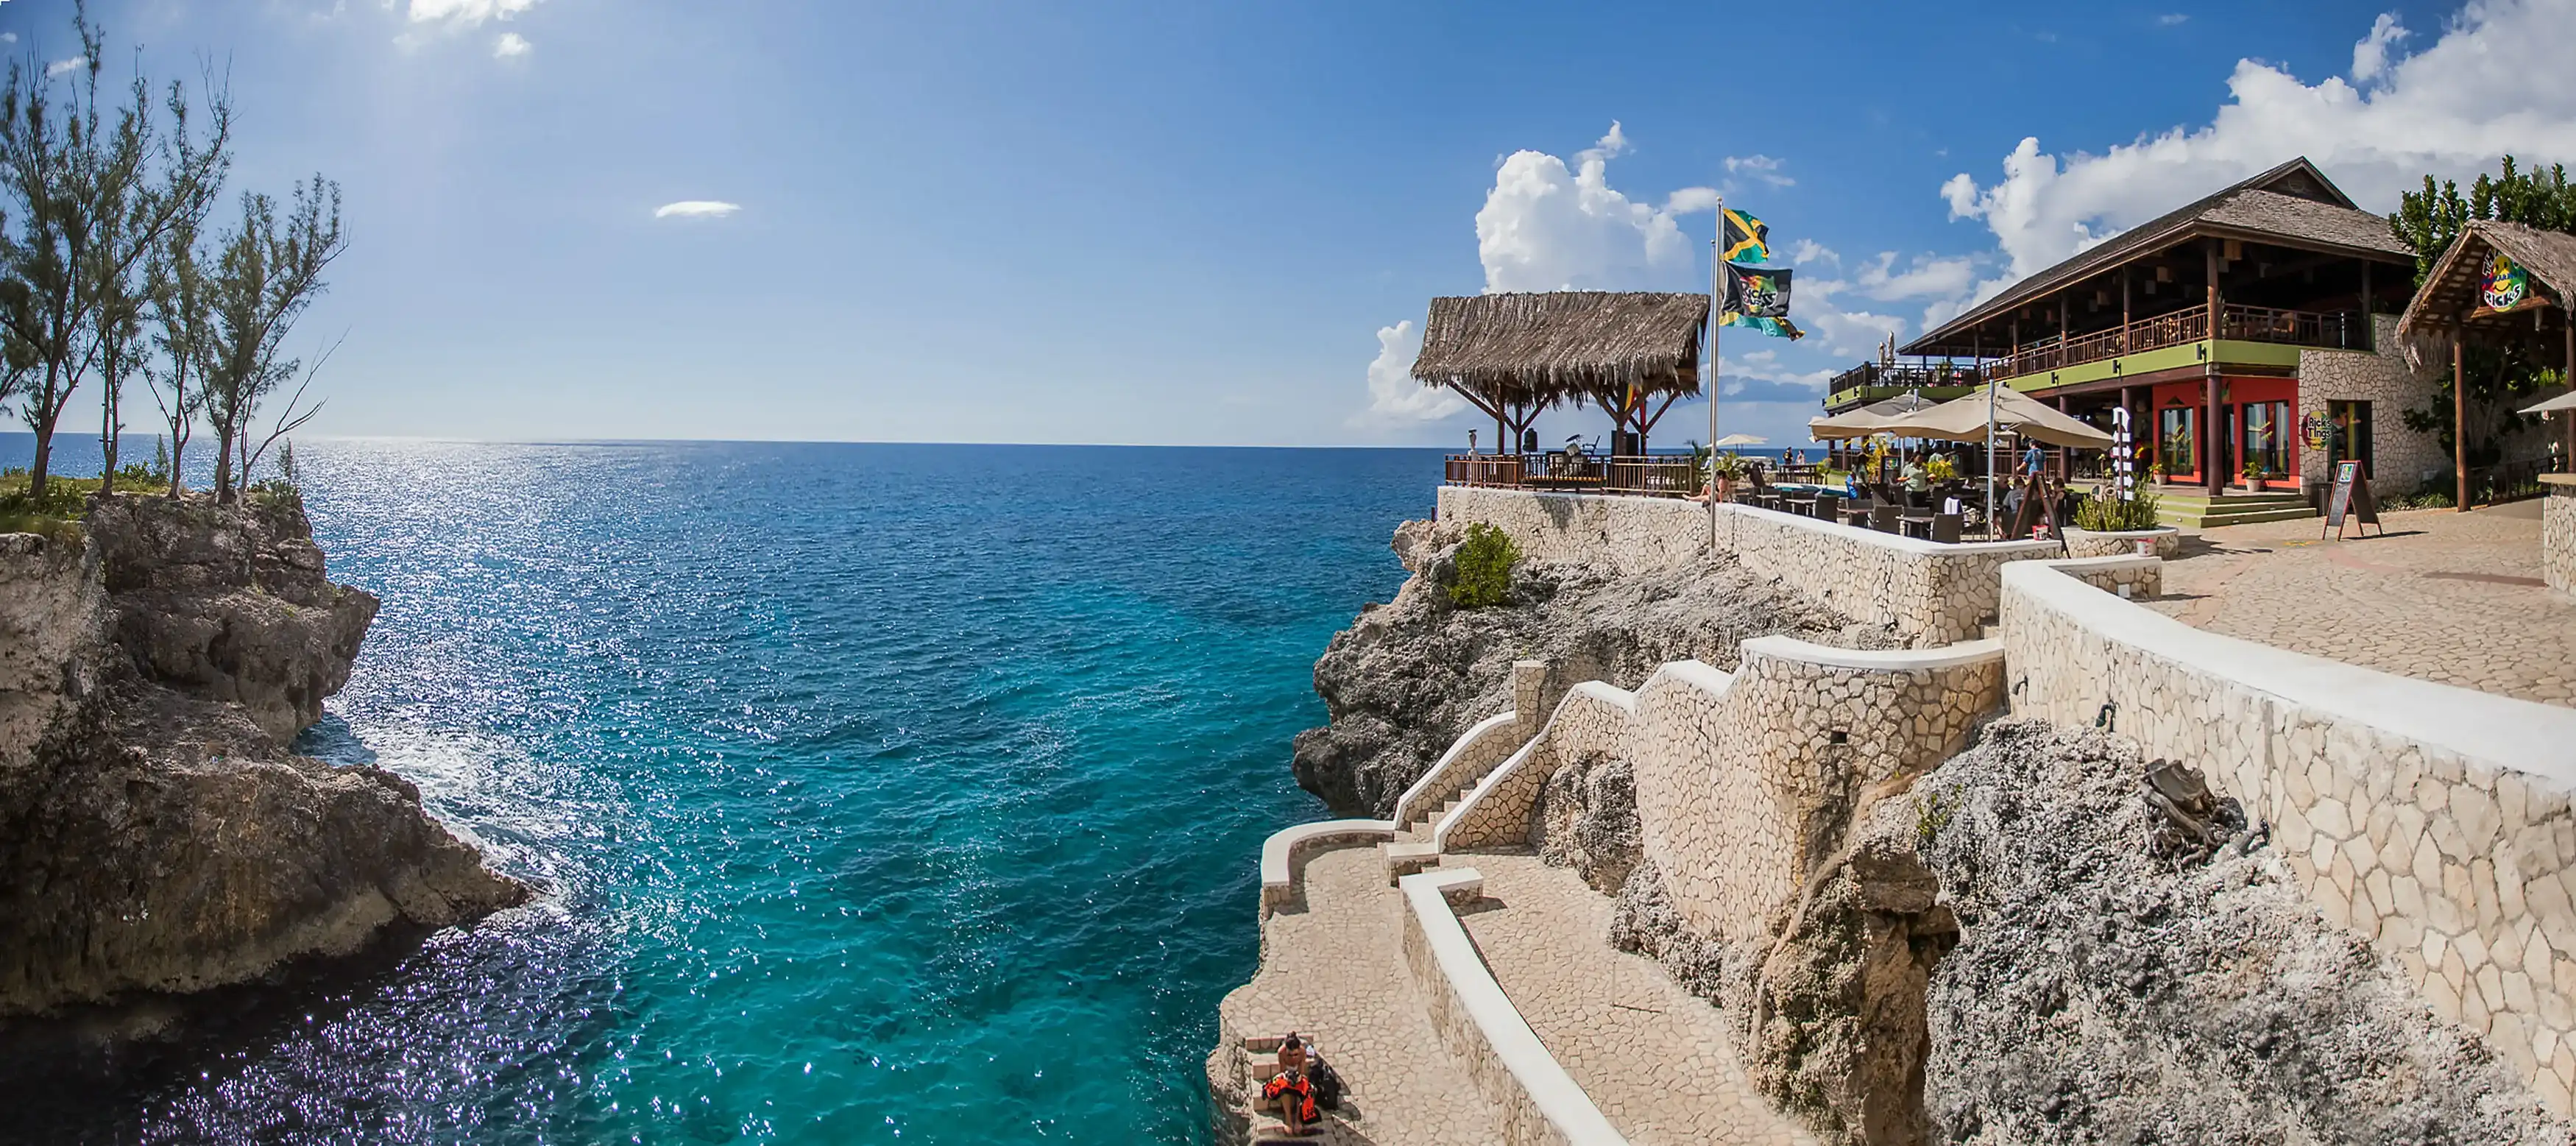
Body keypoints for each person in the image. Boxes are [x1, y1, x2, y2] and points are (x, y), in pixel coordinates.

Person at [1264, 1033, 1320, 1134]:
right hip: (1286, 1074)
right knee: (1283, 1087)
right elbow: (1282, 1071)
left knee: (1302, 1088)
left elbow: (1302, 1071)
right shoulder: (1281, 1052)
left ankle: (1298, 1118)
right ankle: (1288, 1119)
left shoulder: (1302, 1052)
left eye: (1295, 1055)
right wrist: (1287, 1078)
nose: (1293, 1057)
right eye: (1290, 1055)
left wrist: (1298, 1079)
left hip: (1297, 1074)